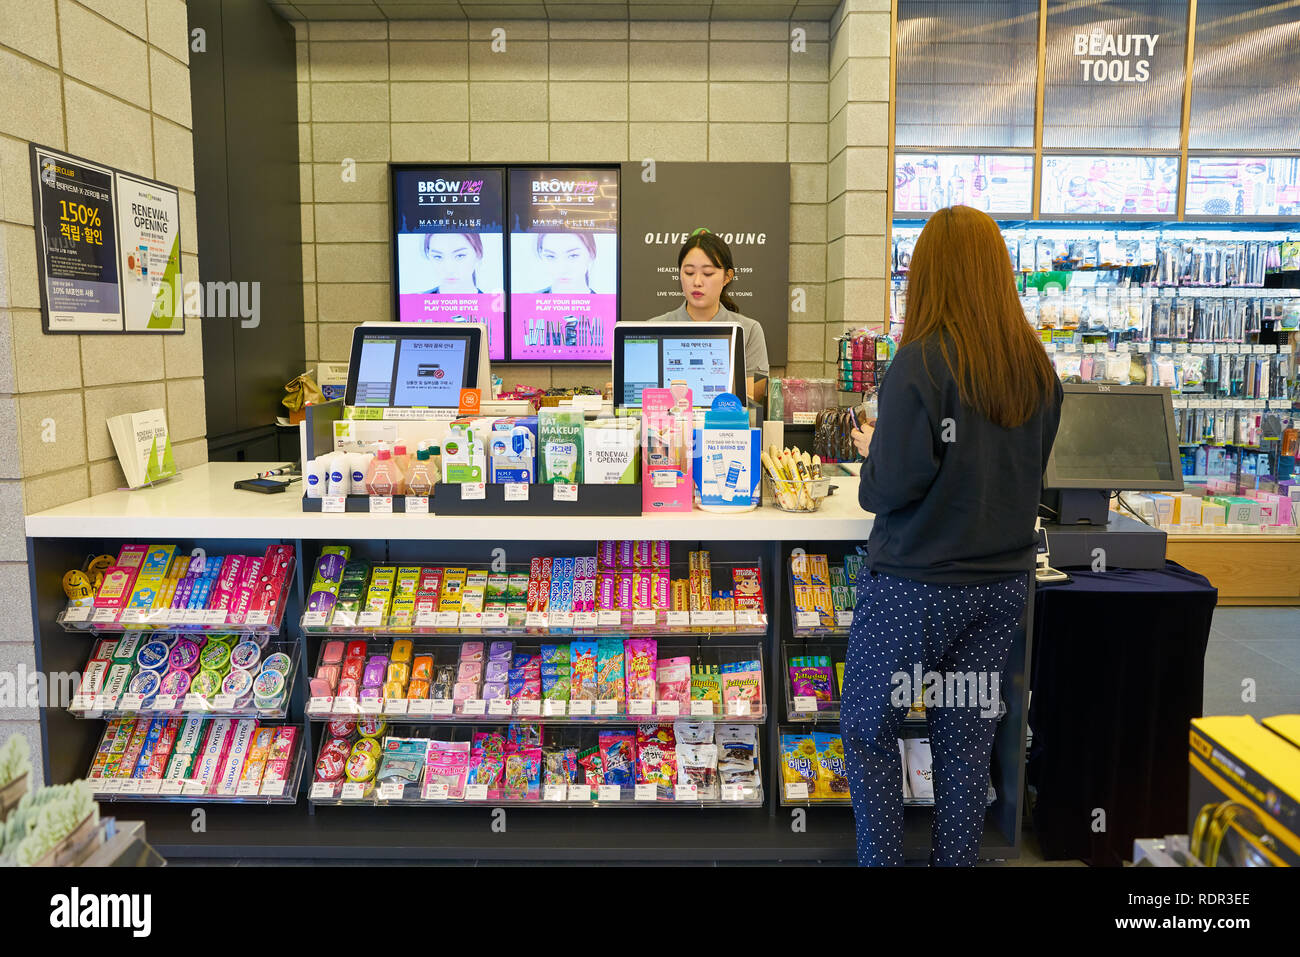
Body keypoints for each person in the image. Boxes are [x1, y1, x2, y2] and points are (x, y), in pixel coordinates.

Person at [842, 205, 1062, 866]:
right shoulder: (1035, 366)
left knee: (867, 730)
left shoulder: (921, 361)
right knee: (966, 743)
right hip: (1000, 588)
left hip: (917, 588)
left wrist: (874, 448)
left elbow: (888, 488)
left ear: (932, 273)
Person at [647, 229, 770, 402]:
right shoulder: (653, 327)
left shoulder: (749, 330)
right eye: (689, 272)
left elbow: (754, 402)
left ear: (727, 277)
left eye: (708, 273)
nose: (697, 282)